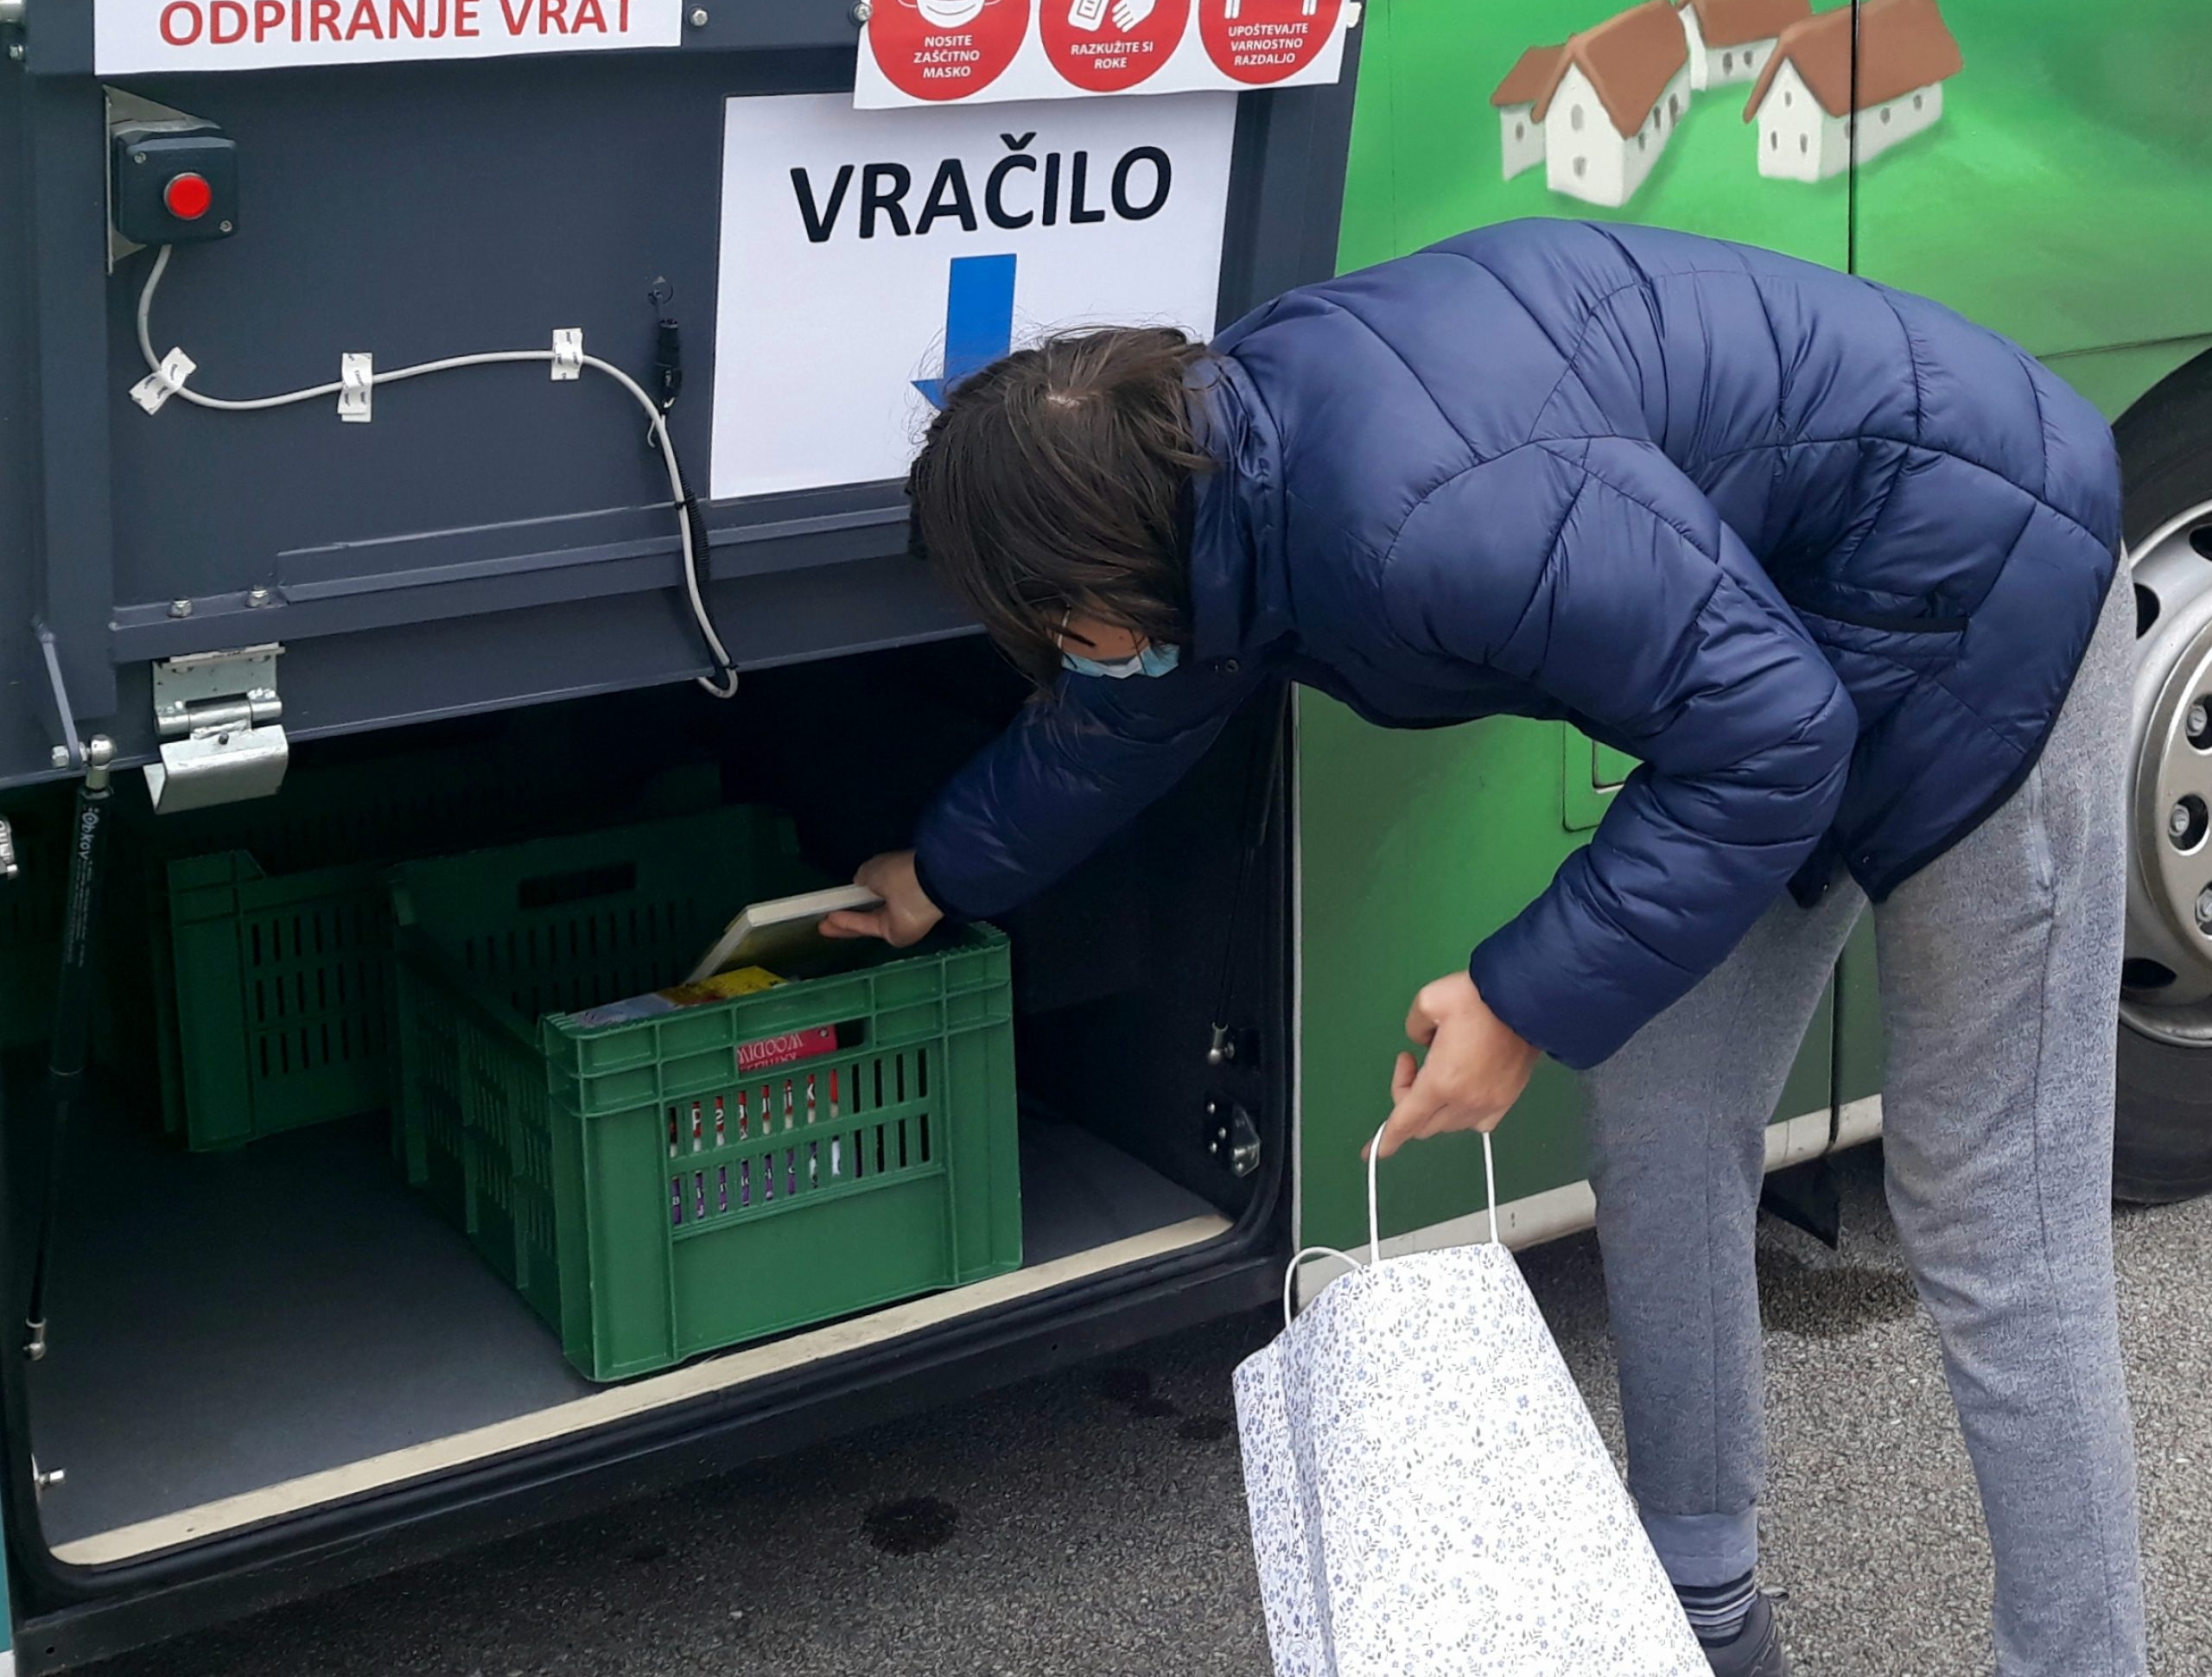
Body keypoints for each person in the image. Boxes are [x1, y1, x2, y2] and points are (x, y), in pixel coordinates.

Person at [821, 219, 2143, 1677]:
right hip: (1788, 648)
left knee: (1988, 1204)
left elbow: (1772, 739)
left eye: (1050, 624)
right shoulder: (1213, 488)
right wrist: (940, 872)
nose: (1060, 653)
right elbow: (1124, 716)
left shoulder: (1414, 519)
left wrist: (1517, 1001)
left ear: (1098, 563)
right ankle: (1699, 1607)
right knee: (1660, 1106)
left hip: (1990, 587)